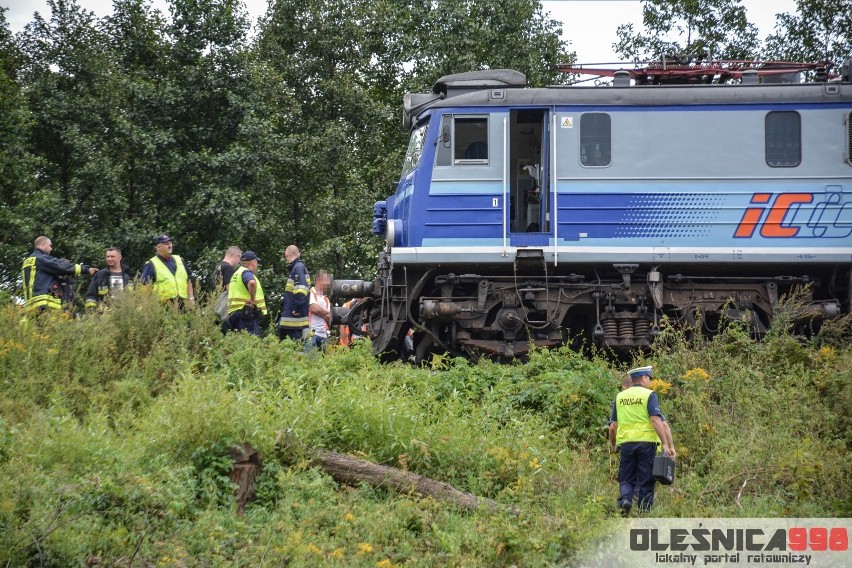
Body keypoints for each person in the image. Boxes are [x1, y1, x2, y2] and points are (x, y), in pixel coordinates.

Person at [609, 365, 676, 515]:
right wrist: (665, 444)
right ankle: (644, 512)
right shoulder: (649, 395)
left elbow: (613, 426)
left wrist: (613, 444)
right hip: (646, 444)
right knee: (646, 479)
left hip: (626, 444)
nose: (650, 382)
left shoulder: (620, 397)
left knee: (626, 477)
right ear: (644, 378)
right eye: (649, 379)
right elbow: (656, 420)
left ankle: (625, 500)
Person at [21, 236, 97, 311]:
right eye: (50, 245)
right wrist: (86, 269)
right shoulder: (40, 258)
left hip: (30, 306)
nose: (51, 249)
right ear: (43, 244)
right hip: (44, 304)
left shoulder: (27, 261)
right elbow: (62, 267)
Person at [140, 234, 195, 308]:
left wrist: (191, 297)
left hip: (183, 303)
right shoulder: (151, 264)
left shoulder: (180, 260)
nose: (169, 246)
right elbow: (144, 285)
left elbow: (189, 279)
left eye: (170, 243)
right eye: (166, 244)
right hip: (163, 305)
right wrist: (146, 305)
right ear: (158, 247)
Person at [221, 251, 267, 336]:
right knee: (251, 344)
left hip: (234, 314)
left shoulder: (236, 274)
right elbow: (251, 283)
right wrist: (252, 300)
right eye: (256, 262)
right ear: (253, 262)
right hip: (246, 315)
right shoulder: (246, 272)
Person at [278, 245, 311, 341]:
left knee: (295, 350)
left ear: (286, 255)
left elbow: (301, 290)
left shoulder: (298, 267)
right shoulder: (297, 268)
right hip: (292, 321)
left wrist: (296, 309)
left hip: (294, 322)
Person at [213, 246, 242, 320]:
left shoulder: (219, 266)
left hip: (215, 302)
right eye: (239, 259)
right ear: (237, 256)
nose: (239, 262)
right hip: (223, 307)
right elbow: (230, 289)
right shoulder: (228, 268)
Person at [307, 269, 331, 349]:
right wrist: (325, 313)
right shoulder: (311, 292)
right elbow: (314, 308)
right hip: (311, 334)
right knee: (311, 358)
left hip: (324, 335)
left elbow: (330, 318)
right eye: (326, 280)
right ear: (318, 280)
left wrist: (321, 313)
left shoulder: (326, 299)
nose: (328, 283)